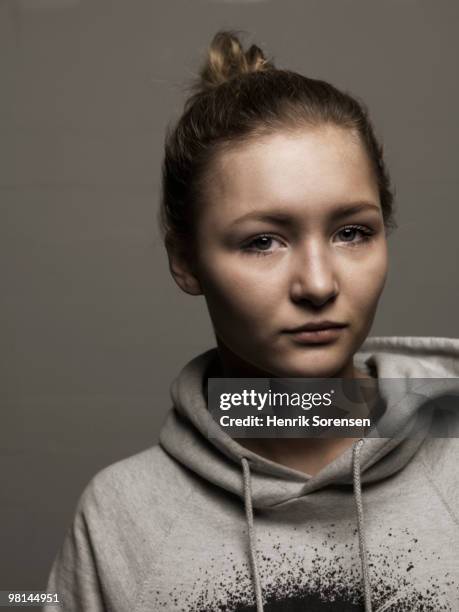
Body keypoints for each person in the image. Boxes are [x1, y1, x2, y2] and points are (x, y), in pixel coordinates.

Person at [44, 31, 459, 611]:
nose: (318, 284)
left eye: (352, 232)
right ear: (185, 260)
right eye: (263, 241)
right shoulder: (123, 516)